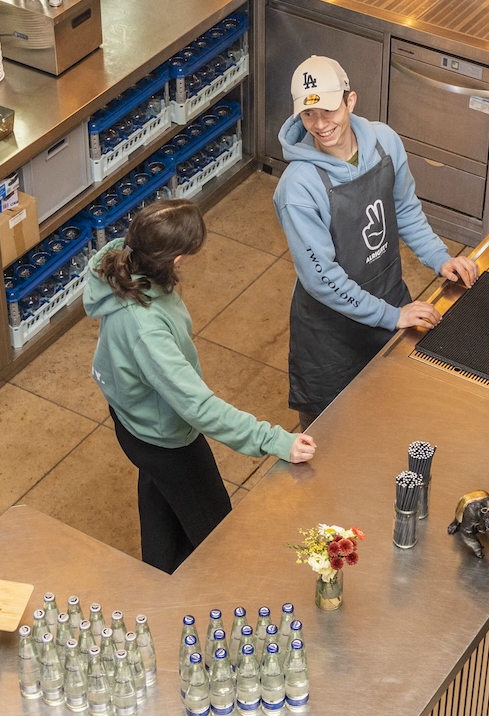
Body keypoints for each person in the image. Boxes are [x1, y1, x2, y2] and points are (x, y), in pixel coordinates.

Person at [86, 199, 316, 572]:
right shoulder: (146, 329)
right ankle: (227, 592)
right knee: (218, 535)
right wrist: (275, 440)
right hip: (164, 439)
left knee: (161, 500)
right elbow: (198, 407)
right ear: (176, 260)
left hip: (136, 422)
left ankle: (158, 574)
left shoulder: (124, 263)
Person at [274, 54, 481, 423]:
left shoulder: (384, 142)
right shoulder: (299, 187)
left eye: (328, 110)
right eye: (308, 114)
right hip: (330, 336)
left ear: (350, 101)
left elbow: (404, 209)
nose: (320, 124)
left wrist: (440, 258)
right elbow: (321, 279)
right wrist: (391, 315)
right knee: (330, 433)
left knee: (392, 415)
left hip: (388, 296)